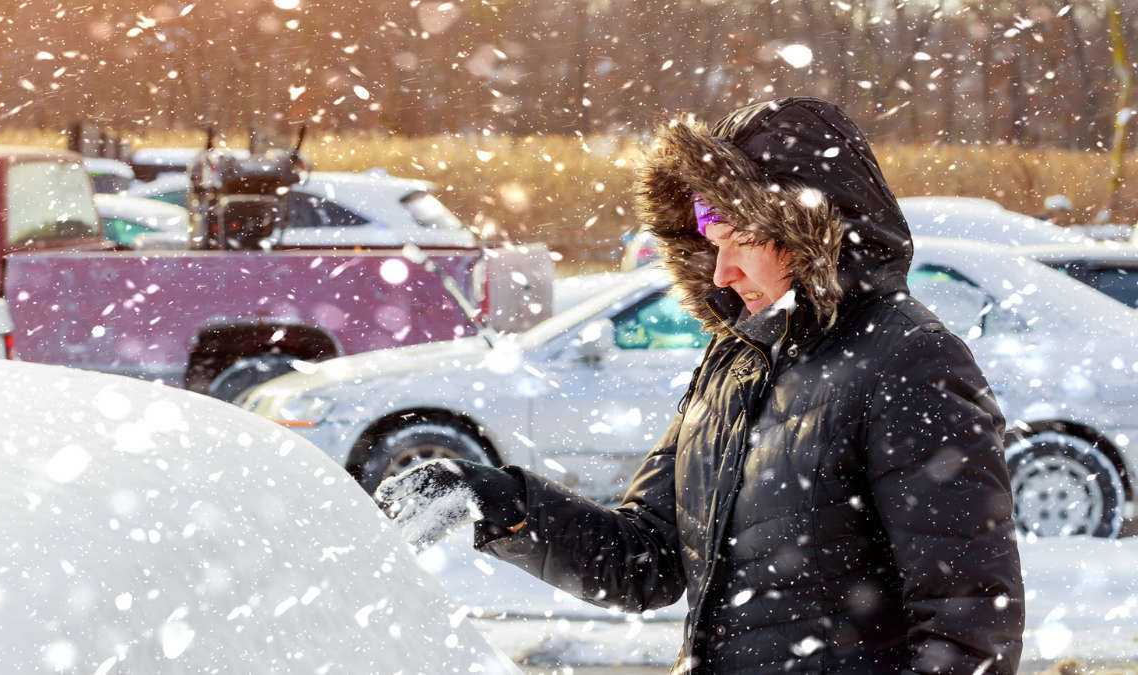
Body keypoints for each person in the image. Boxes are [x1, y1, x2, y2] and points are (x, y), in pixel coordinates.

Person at [376, 97, 1025, 673]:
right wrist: (500, 502)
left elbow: (969, 621)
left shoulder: (910, 359)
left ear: (807, 229)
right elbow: (645, 560)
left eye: (740, 238)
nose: (721, 270)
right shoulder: (732, 363)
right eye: (712, 241)